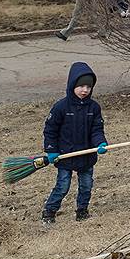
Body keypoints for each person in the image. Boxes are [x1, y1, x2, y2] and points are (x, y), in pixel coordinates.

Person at [40, 62, 108, 223]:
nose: (85, 90)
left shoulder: (94, 108)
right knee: (63, 186)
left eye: (89, 87)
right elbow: (50, 130)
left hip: (86, 156)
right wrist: (51, 150)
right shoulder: (61, 107)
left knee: (86, 186)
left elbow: (96, 129)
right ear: (72, 85)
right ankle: (49, 212)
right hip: (65, 157)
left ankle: (82, 211)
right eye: (81, 86)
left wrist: (100, 143)